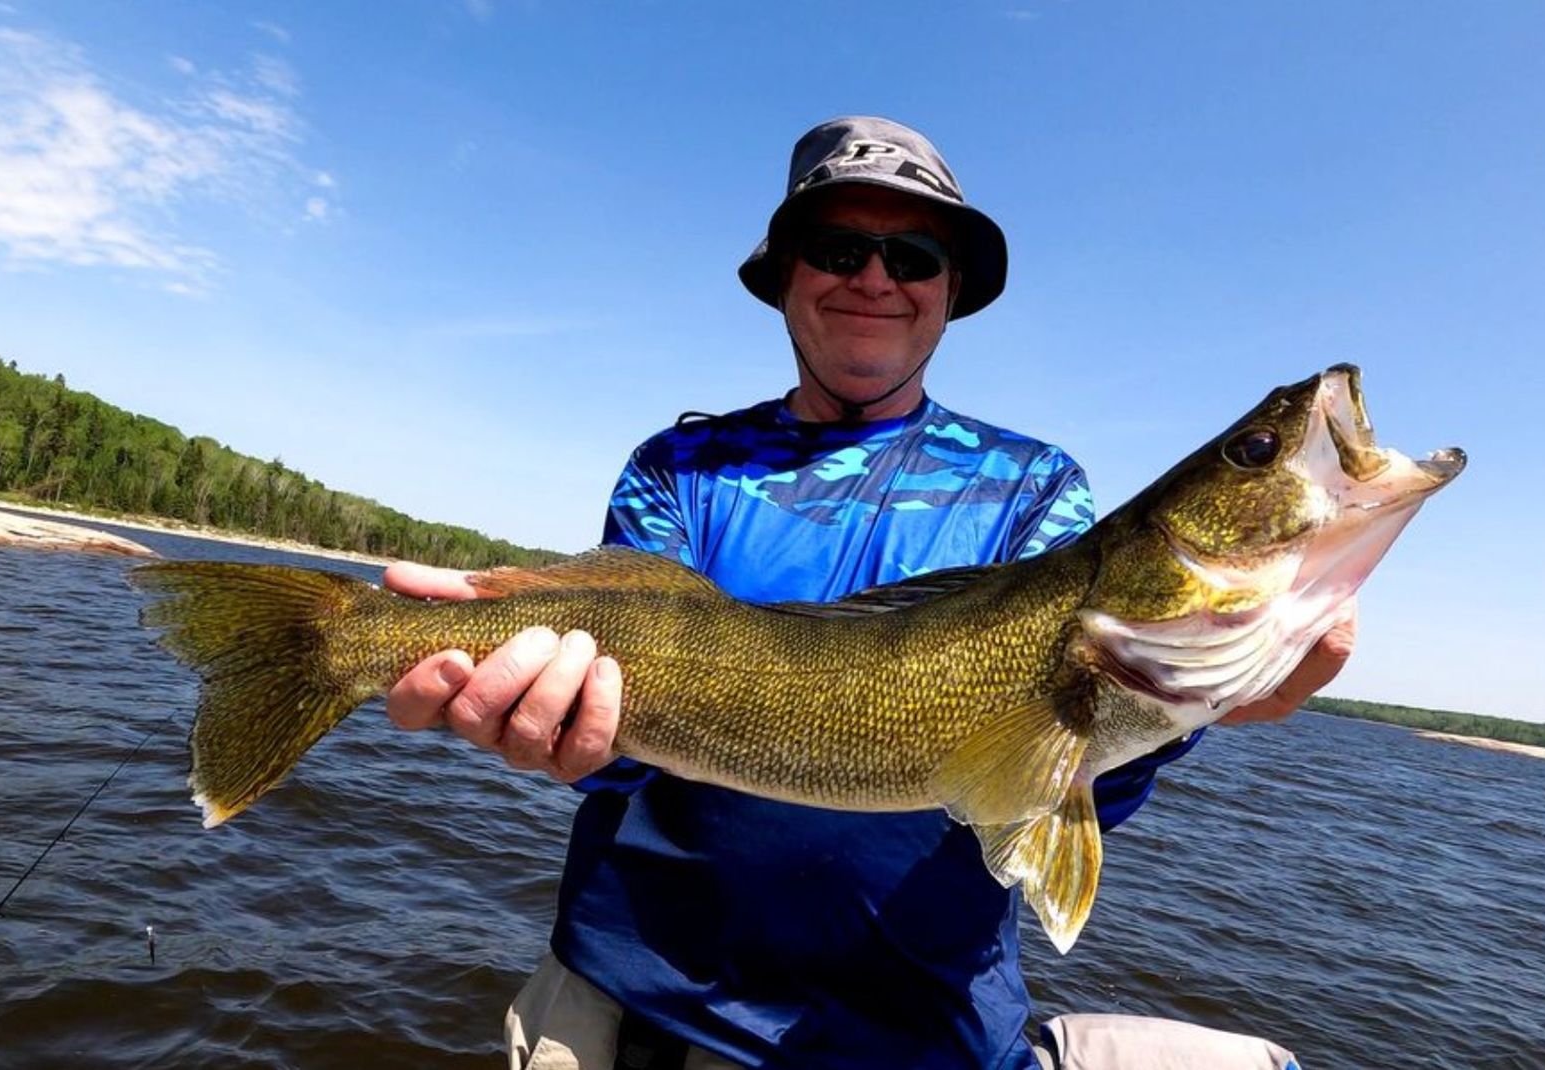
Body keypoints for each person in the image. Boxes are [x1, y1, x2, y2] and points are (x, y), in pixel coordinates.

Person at [383, 117, 1350, 1070]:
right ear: (786, 277)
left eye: (914, 254)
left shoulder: (1038, 489)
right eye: (838, 247)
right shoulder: (678, 468)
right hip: (633, 1016)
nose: (876, 278)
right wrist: (548, 732)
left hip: (916, 1039)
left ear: (951, 288)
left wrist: (1181, 711)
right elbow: (619, 766)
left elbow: (1050, 789)